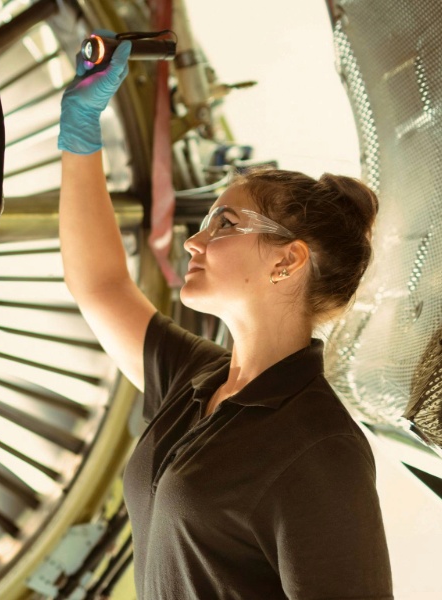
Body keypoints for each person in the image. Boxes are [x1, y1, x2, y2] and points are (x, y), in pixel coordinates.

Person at [58, 38, 393, 600]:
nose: (194, 241)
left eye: (226, 224)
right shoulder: (195, 380)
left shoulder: (319, 446)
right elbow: (100, 285)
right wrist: (80, 131)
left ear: (287, 260)